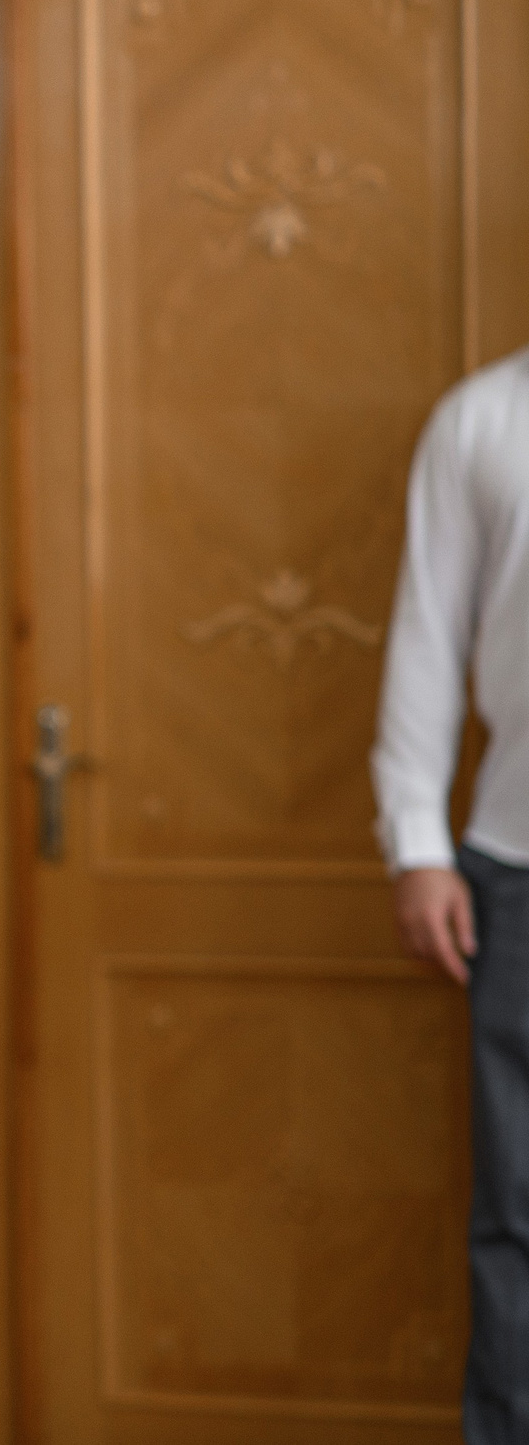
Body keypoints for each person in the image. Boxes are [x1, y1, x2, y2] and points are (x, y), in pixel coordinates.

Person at [374, 340, 529, 1439]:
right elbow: (427, 634)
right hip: (515, 874)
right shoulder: (480, 419)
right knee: (518, 1219)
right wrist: (417, 841)